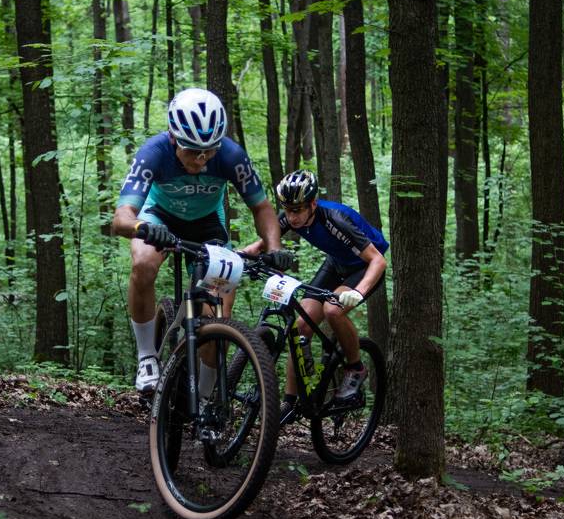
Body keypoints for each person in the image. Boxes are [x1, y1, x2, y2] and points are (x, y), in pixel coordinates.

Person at [111, 88, 284, 396]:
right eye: (193, 151)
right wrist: (141, 227)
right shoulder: (153, 153)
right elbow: (121, 218)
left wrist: (274, 248)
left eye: (209, 151)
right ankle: (147, 356)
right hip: (159, 216)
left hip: (207, 224)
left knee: (219, 316)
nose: (202, 159)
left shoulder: (231, 156)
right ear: (173, 137)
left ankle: (204, 398)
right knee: (144, 263)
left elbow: (261, 207)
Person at [243, 169, 387, 415]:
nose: (292, 217)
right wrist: (240, 257)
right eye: (287, 209)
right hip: (336, 264)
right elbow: (260, 245)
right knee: (300, 326)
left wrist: (359, 292)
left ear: (313, 204)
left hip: (364, 267)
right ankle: (290, 402)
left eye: (297, 210)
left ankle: (355, 369)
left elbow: (378, 261)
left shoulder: (336, 219)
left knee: (333, 310)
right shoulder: (291, 216)